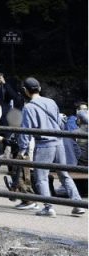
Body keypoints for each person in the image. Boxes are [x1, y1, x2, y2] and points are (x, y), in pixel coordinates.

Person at [18, 77, 84, 217]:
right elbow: (60, 123)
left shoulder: (28, 107)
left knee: (41, 177)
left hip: (44, 144)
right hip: (59, 142)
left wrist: (23, 149)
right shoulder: (51, 102)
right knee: (64, 175)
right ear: (40, 88)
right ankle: (78, 204)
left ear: (25, 90)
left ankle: (48, 208)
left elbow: (25, 131)